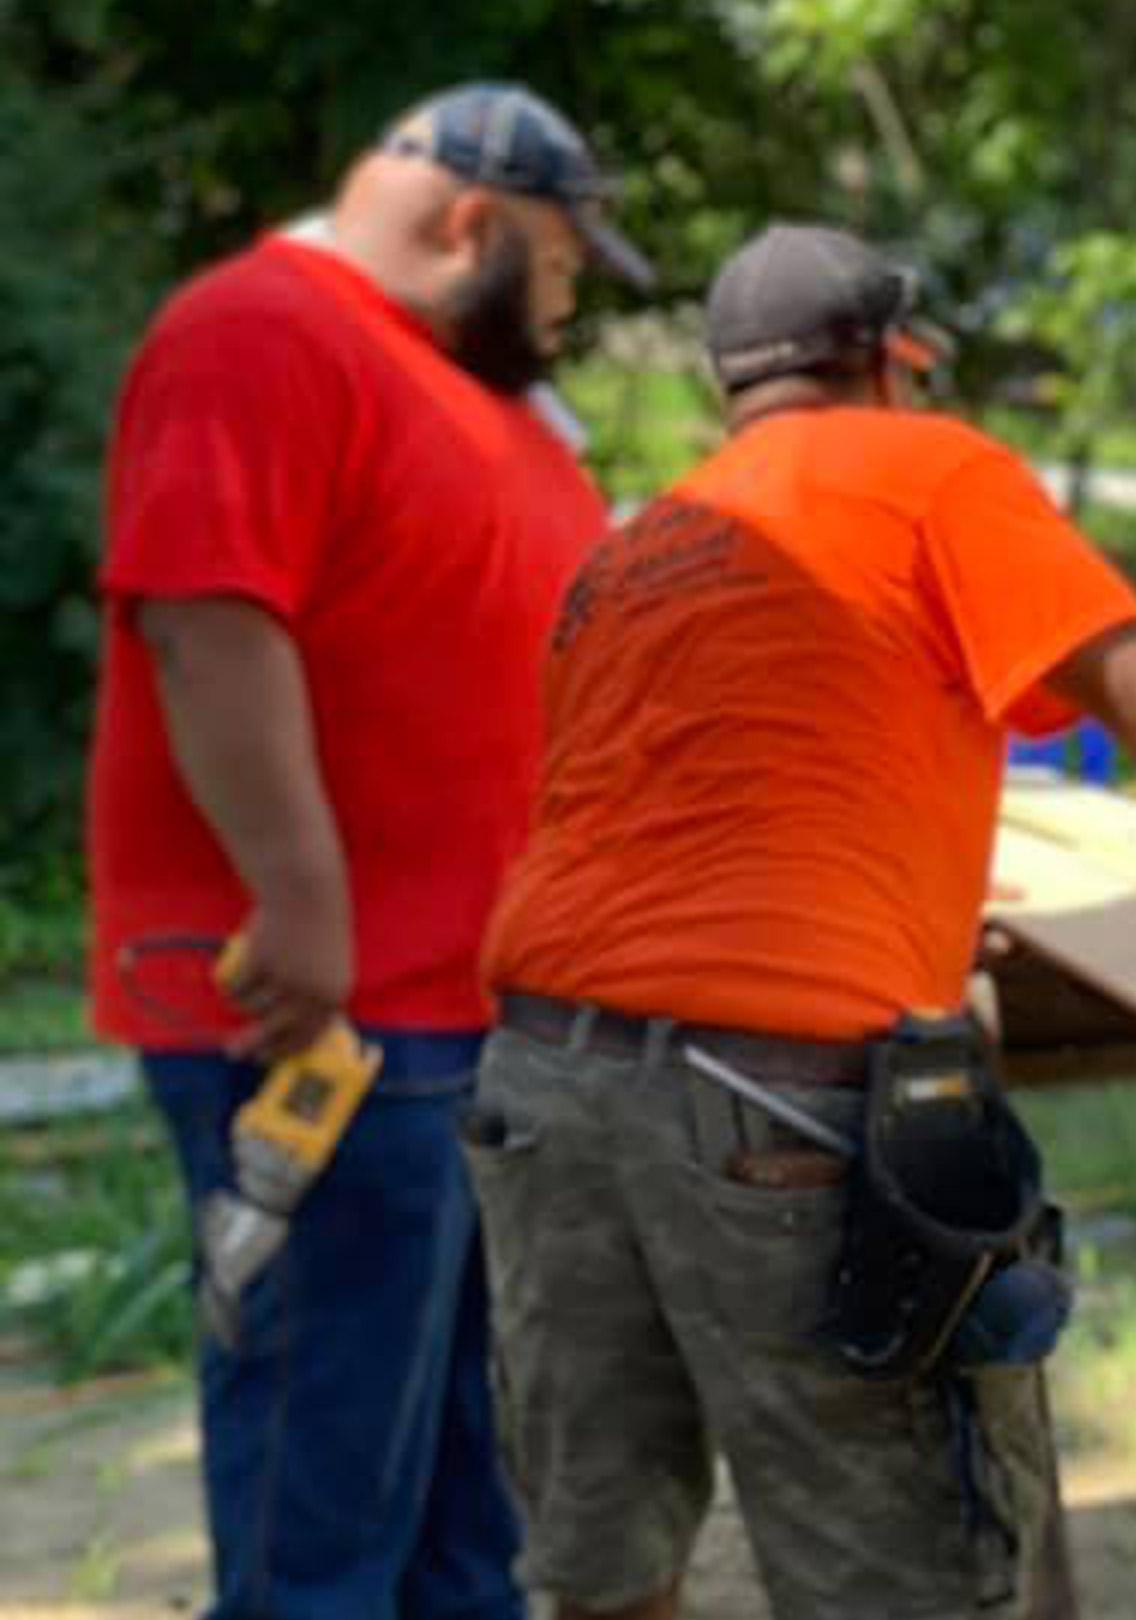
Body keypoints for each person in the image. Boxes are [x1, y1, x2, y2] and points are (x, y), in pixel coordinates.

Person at [467, 222, 1136, 1620]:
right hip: (772, 1101)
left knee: (604, 1563)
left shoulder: (646, 545)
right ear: (890, 360)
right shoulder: (930, 467)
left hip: (538, 1083)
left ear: (731, 392)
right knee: (904, 1575)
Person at [87, 82, 648, 1620]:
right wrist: (302, 897)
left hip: (472, 1015)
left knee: (465, 1494)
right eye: (558, 257)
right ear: (472, 220)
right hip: (329, 1016)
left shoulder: (463, 385)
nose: (573, 290)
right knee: (324, 1498)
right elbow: (206, 615)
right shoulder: (261, 333)